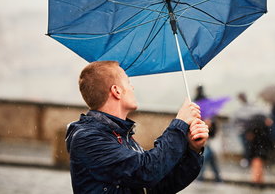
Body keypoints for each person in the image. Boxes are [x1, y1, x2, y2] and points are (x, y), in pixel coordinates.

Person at [65, 61, 209, 194]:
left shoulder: (120, 135)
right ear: (116, 91)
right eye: (128, 82)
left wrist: (192, 149)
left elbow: (159, 185)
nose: (132, 87)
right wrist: (180, 123)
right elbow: (147, 171)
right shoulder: (88, 138)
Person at [194, 85, 222, 182]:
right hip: (208, 136)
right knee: (210, 157)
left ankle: (200, 176)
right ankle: (217, 178)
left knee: (205, 157)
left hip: (205, 135)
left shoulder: (196, 102)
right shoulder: (208, 104)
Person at [231, 92, 262, 168]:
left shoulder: (242, 108)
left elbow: (235, 119)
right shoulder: (247, 107)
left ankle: (247, 161)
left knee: (247, 147)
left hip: (245, 131)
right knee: (247, 147)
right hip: (245, 131)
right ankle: (248, 161)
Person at [244, 113, 273, 184]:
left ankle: (257, 180)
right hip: (258, 150)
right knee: (257, 164)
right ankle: (257, 180)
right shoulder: (260, 128)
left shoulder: (259, 129)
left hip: (258, 150)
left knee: (258, 165)